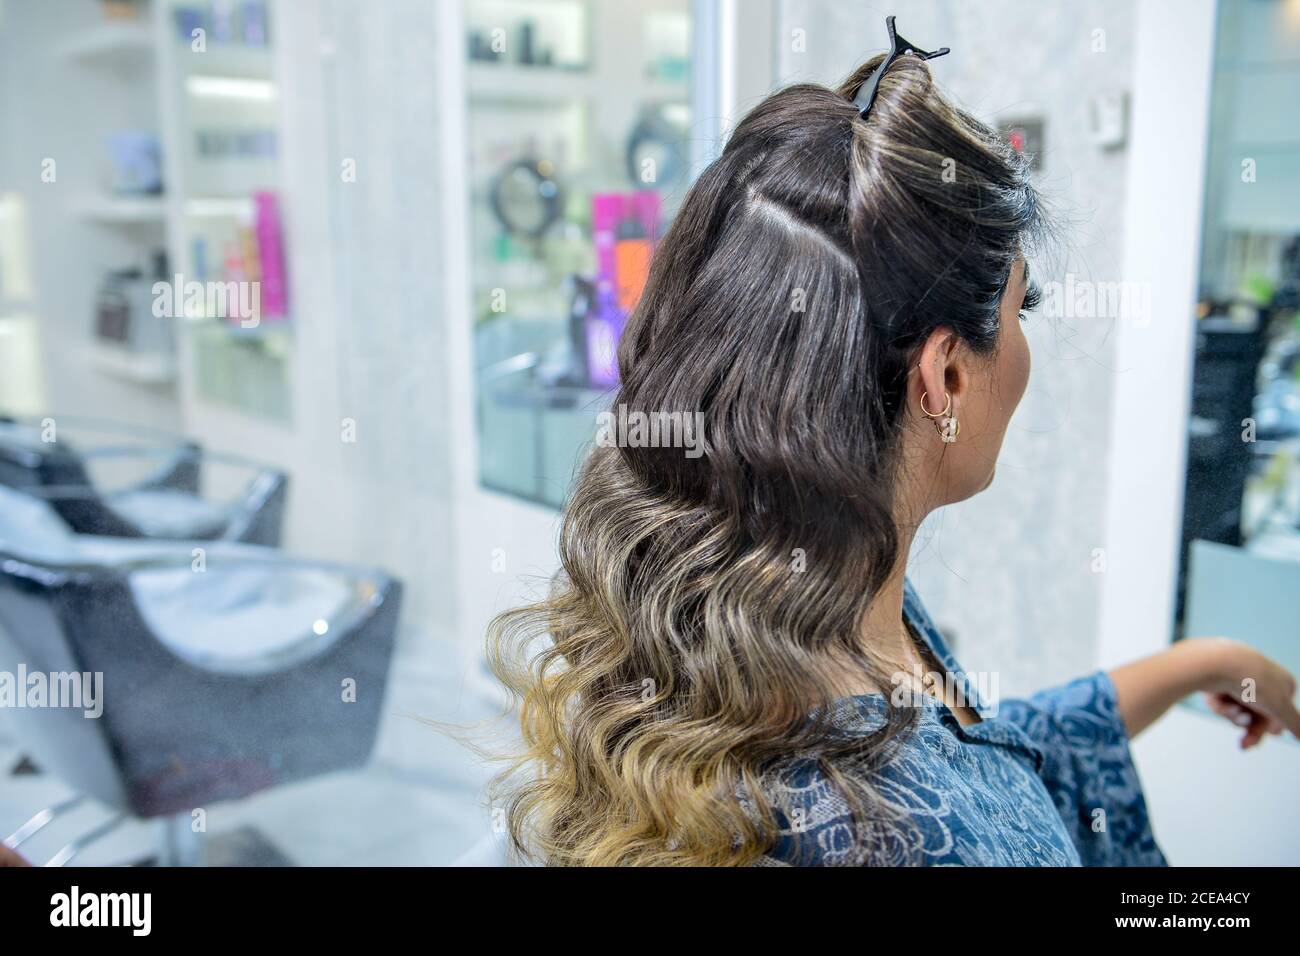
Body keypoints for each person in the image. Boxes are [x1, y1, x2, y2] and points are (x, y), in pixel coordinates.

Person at [485, 38, 1300, 866]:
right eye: (1024, 309)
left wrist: (1199, 663)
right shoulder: (890, 833)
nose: (1022, 352)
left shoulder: (808, 601)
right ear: (944, 374)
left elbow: (986, 764)